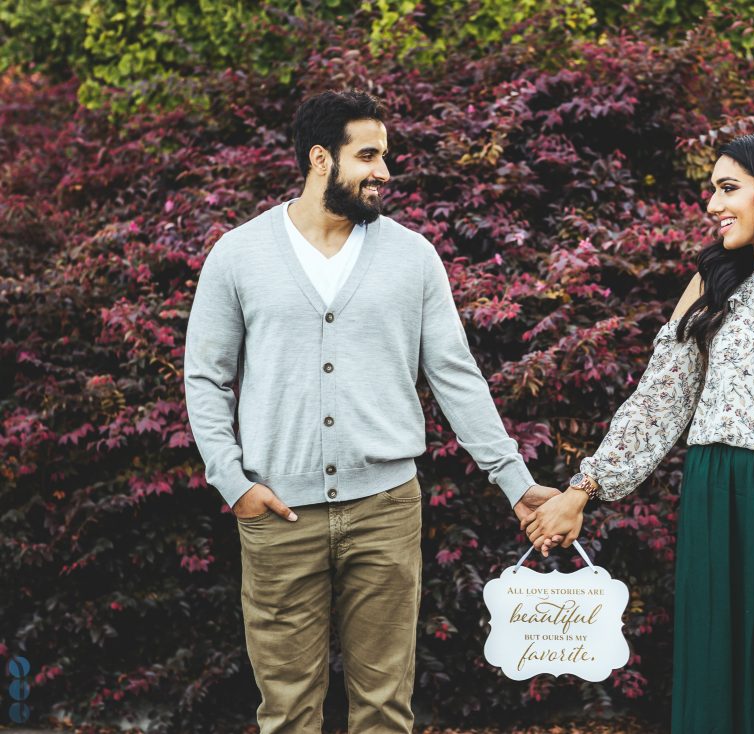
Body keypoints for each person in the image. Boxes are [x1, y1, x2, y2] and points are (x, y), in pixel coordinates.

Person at [183, 90, 559, 734]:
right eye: (369, 155)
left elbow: (456, 378)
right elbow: (205, 377)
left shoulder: (412, 257)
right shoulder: (238, 255)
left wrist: (516, 484)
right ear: (321, 159)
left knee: (385, 708)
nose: (385, 170)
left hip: (385, 510)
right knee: (288, 710)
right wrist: (233, 483)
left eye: (385, 154)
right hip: (276, 515)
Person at [522, 132, 754, 732]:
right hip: (716, 498)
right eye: (712, 190)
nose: (712, 205)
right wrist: (582, 489)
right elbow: (656, 406)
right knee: (714, 668)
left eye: (728, 188)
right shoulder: (709, 287)